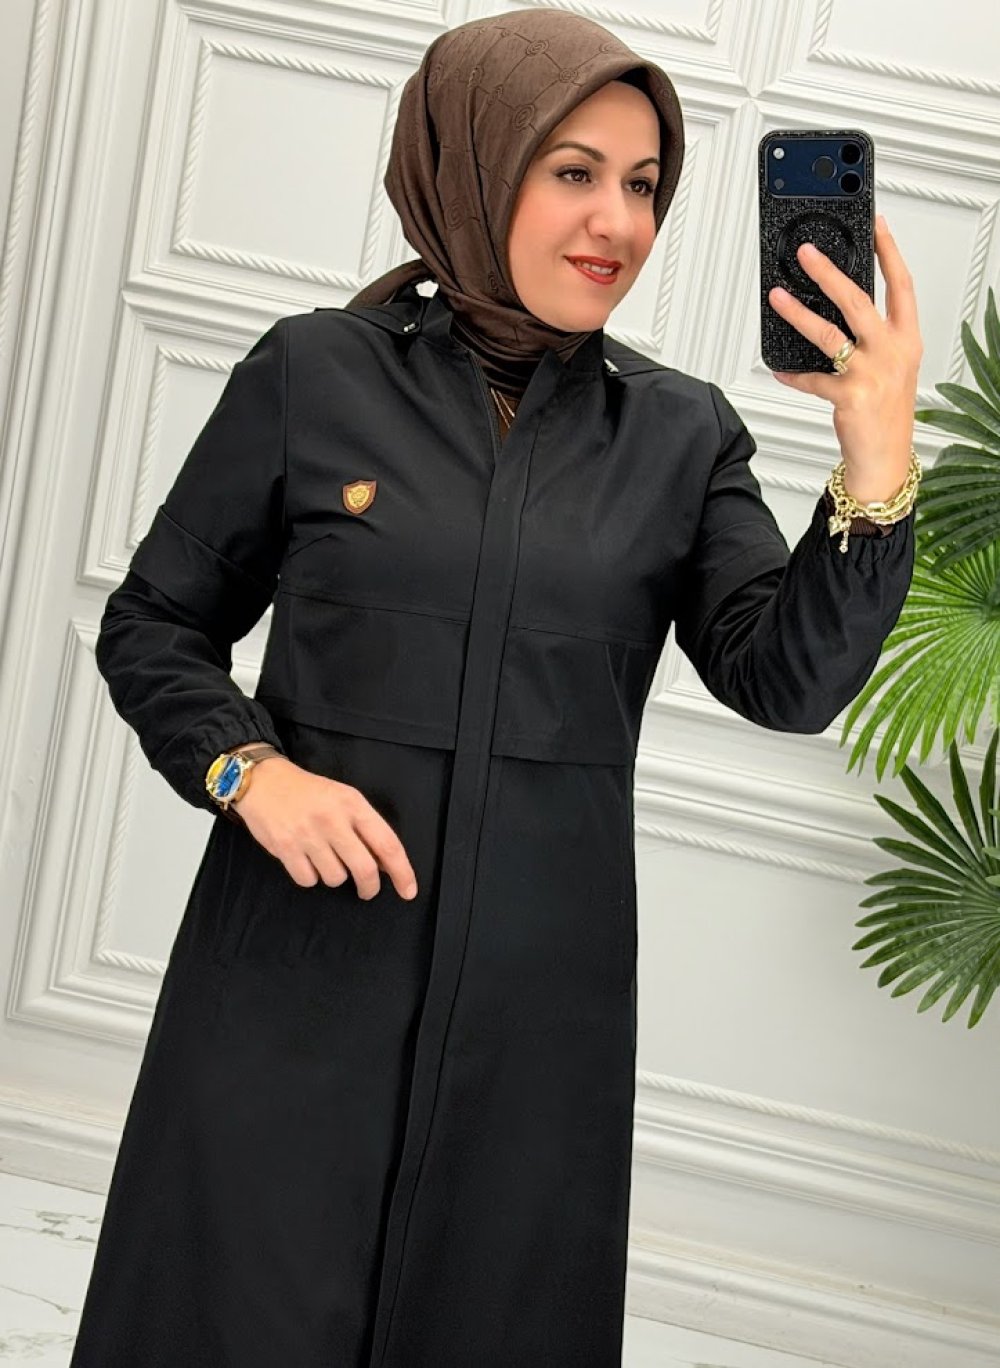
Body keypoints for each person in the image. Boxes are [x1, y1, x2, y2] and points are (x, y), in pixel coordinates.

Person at [69, 8, 921, 1367]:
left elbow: (789, 679)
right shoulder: (314, 375)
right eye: (572, 171)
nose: (617, 222)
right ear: (476, 164)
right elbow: (155, 623)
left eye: (643, 184)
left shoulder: (680, 435)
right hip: (291, 986)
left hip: (535, 1023)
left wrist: (874, 461)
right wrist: (250, 771)